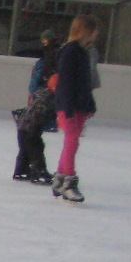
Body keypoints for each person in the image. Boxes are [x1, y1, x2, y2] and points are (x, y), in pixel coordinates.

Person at [51, 14, 99, 204]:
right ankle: (69, 182)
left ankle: (60, 178)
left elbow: (85, 83)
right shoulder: (70, 52)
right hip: (68, 105)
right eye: (94, 30)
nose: (96, 34)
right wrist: (68, 108)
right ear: (85, 30)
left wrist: (90, 104)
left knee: (72, 142)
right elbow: (66, 83)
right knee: (72, 141)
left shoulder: (83, 52)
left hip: (79, 105)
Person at [12, 31, 59, 184]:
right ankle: (36, 170)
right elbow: (35, 87)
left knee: (29, 138)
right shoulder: (50, 61)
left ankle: (24, 169)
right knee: (33, 140)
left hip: (33, 112)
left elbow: (34, 86)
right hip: (36, 111)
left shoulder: (48, 60)